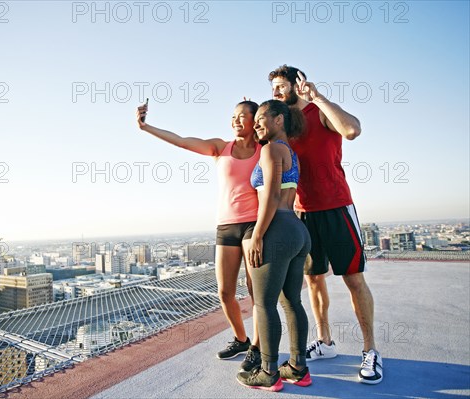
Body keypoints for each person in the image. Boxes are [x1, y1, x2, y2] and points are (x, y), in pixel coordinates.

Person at [269, 65, 383, 384]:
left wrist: (318, 97)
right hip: (303, 213)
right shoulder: (283, 125)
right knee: (314, 280)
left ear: (297, 84)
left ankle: (370, 350)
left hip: (336, 207)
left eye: (281, 86)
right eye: (273, 89)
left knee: (354, 280)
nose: (276, 93)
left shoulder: (320, 113)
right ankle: (326, 342)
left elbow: (352, 130)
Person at [136, 100, 262, 371]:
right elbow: (182, 141)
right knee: (225, 291)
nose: (236, 121)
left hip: (255, 225)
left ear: (255, 120)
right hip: (227, 225)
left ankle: (258, 349)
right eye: (233, 117)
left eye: (242, 116)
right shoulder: (220, 147)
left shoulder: (266, 151)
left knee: (257, 293)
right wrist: (146, 127)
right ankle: (241, 339)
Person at [235, 100, 312, 392]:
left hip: (276, 229)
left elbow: (269, 196)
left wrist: (257, 236)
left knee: (264, 304)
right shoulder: (291, 152)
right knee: (291, 301)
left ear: (279, 119)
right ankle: (297, 367)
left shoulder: (269, 150)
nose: (255, 125)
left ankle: (268, 371)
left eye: (260, 119)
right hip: (297, 231)